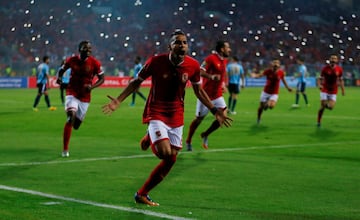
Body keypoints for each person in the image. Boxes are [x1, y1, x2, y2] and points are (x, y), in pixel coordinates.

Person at [102, 30, 232, 206]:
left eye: (185, 42)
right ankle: (152, 134)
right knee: (164, 153)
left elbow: (199, 91)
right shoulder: (155, 62)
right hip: (156, 111)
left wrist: (214, 109)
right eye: (178, 42)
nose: (182, 45)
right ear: (170, 46)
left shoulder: (192, 65)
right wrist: (119, 100)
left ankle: (142, 194)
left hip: (176, 114)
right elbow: (136, 81)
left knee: (172, 158)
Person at [56, 40, 105, 157]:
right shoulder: (72, 60)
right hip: (71, 92)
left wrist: (92, 87)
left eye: (90, 48)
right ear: (79, 49)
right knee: (70, 117)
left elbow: (102, 78)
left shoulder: (95, 63)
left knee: (76, 125)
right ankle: (65, 150)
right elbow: (61, 70)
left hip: (85, 96)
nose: (88, 50)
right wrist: (59, 78)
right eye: (85, 48)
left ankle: (73, 123)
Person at [185, 40, 231, 151]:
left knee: (222, 118)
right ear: (221, 49)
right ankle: (188, 140)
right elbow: (199, 71)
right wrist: (211, 77)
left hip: (218, 95)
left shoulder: (224, 60)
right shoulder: (210, 59)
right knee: (198, 120)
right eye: (227, 47)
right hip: (205, 96)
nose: (229, 49)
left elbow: (221, 75)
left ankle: (205, 134)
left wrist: (223, 84)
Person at [250, 59, 293, 124]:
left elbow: (283, 80)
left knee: (271, 106)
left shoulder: (281, 72)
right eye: (274, 63)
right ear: (272, 64)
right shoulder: (268, 71)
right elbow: (260, 75)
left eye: (277, 63)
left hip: (274, 93)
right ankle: (259, 118)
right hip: (266, 92)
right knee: (261, 108)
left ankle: (268, 103)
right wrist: (255, 76)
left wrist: (288, 88)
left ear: (279, 65)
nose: (275, 64)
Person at [317, 55, 345, 127]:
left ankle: (323, 106)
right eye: (332, 58)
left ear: (337, 60)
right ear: (329, 59)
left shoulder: (339, 69)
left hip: (333, 90)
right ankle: (319, 121)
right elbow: (320, 78)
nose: (333, 59)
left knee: (331, 107)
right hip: (325, 89)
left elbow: (341, 80)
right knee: (323, 106)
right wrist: (319, 85)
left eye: (335, 58)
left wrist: (343, 90)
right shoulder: (325, 68)